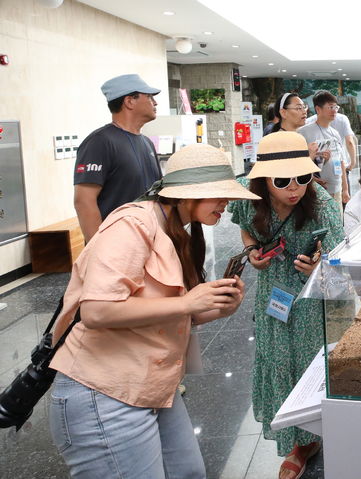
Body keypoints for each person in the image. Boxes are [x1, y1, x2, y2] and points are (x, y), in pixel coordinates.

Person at [48, 144, 259, 478]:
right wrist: (189, 302)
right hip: (103, 392)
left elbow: (161, 312)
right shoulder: (131, 225)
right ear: (187, 194)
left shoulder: (173, 229)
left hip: (148, 384)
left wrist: (216, 308)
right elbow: (97, 311)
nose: (226, 203)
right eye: (219, 194)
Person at [228, 131, 344, 479]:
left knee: (308, 364)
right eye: (282, 180)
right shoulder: (246, 196)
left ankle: (312, 438)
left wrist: (319, 266)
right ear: (264, 180)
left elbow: (339, 258)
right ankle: (297, 442)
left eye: (302, 177)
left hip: (309, 297)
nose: (294, 188)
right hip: (272, 294)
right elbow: (244, 228)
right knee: (278, 359)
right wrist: (252, 251)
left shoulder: (320, 203)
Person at [74, 74, 163, 243]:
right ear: (129, 101)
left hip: (147, 239)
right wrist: (98, 248)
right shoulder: (99, 141)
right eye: (149, 97)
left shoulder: (146, 143)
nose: (155, 102)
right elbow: (84, 201)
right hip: (116, 245)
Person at [298, 91, 351, 212]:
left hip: (337, 189)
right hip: (318, 190)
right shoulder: (304, 132)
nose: (334, 111)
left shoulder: (335, 133)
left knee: (337, 225)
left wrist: (345, 189)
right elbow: (299, 164)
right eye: (330, 107)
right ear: (318, 109)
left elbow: (341, 162)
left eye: (336, 107)